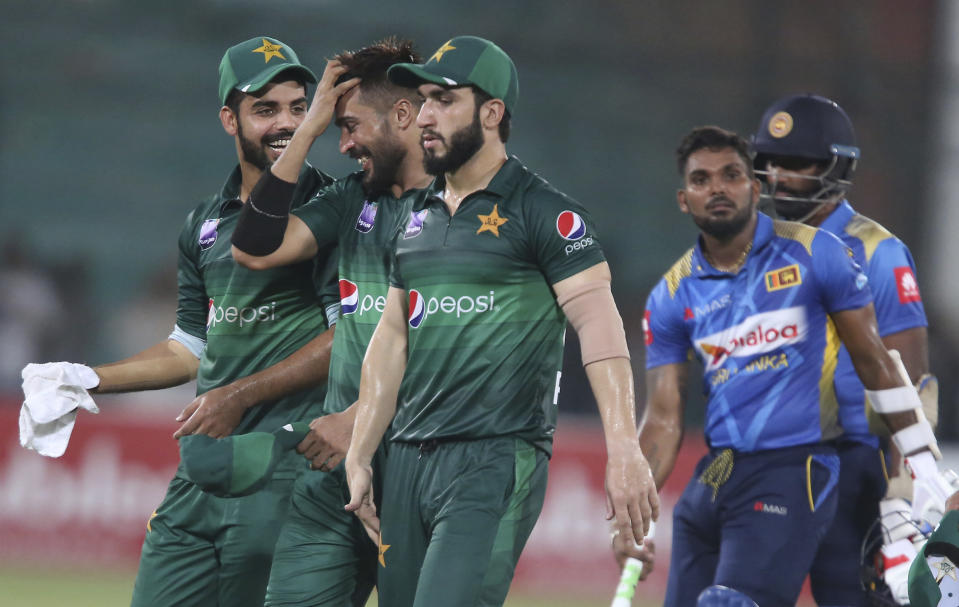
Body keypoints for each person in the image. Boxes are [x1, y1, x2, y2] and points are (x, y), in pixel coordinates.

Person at [20, 36, 341, 607]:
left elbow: (352, 337)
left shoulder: (335, 210)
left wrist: (240, 394)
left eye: (298, 106)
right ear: (228, 119)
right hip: (202, 471)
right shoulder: (204, 225)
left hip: (285, 472)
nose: (286, 123)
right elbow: (189, 347)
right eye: (265, 110)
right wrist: (86, 378)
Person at [340, 35, 659, 607]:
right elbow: (392, 337)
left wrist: (624, 447)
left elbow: (600, 324)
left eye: (443, 99)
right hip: (408, 458)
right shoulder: (415, 216)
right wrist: (361, 452)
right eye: (422, 100)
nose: (425, 116)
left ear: (491, 113)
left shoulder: (544, 213)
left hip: (493, 458)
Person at [629, 125, 942, 606]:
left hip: (796, 467)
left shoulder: (817, 253)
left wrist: (923, 467)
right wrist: (633, 516)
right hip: (717, 471)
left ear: (755, 188)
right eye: (701, 179)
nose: (716, 187)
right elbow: (664, 419)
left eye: (731, 174)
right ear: (683, 199)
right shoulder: (671, 294)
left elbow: (876, 363)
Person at [230, 38, 433, 606]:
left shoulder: (465, 213)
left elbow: (458, 344)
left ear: (402, 116)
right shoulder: (353, 201)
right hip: (334, 470)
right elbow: (253, 247)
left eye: (350, 127)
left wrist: (360, 417)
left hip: (423, 467)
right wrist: (310, 123)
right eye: (335, 129)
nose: (342, 145)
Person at [750, 93, 935, 606]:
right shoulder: (756, 249)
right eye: (769, 163)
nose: (777, 176)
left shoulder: (877, 250)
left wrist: (905, 494)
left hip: (853, 465)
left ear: (835, 166)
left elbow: (912, 381)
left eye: (794, 163)